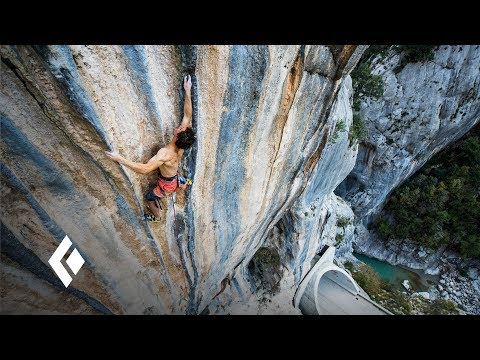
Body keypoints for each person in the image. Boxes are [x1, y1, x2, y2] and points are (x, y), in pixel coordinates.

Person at [106, 75, 196, 221]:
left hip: (167, 184)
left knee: (150, 197)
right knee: (178, 181)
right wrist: (187, 91)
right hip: (173, 176)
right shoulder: (181, 144)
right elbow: (187, 115)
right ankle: (184, 183)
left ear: (177, 135)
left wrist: (120, 159)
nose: (179, 127)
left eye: (179, 128)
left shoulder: (165, 154)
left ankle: (156, 217)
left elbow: (145, 169)